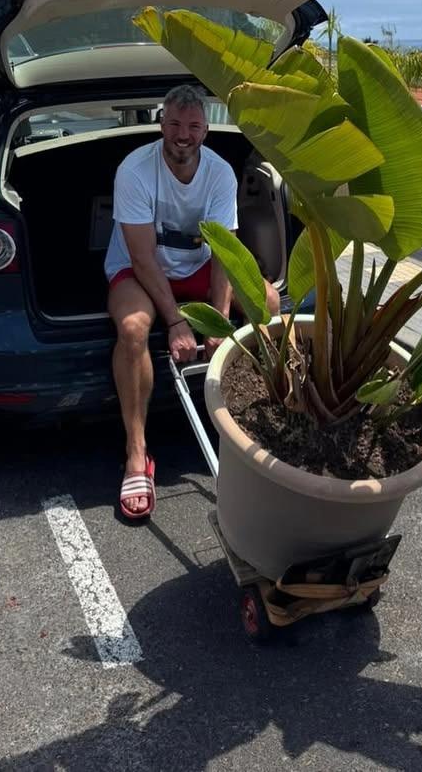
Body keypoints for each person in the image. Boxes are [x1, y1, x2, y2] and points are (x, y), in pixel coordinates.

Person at [106, 84, 279, 520]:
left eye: (193, 127)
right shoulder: (135, 170)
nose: (183, 134)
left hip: (200, 266)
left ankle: (258, 425)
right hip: (140, 269)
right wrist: (177, 323)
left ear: (205, 130)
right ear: (162, 124)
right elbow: (143, 257)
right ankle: (136, 452)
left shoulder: (219, 173)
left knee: (271, 304)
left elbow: (224, 251)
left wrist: (216, 325)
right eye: (175, 125)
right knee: (132, 330)